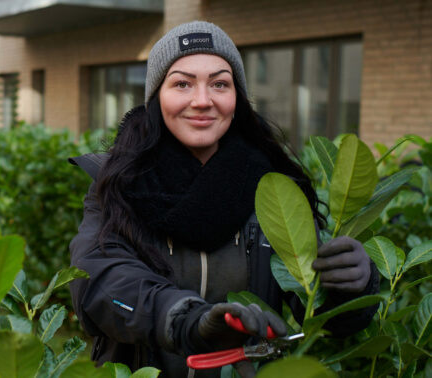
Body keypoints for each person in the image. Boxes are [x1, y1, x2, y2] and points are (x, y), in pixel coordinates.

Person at [69, 21, 379, 378]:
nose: (202, 101)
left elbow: (317, 302)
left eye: (220, 83)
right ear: (157, 97)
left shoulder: (271, 186)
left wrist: (353, 285)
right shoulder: (117, 182)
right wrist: (185, 320)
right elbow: (97, 282)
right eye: (182, 83)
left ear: (237, 98)